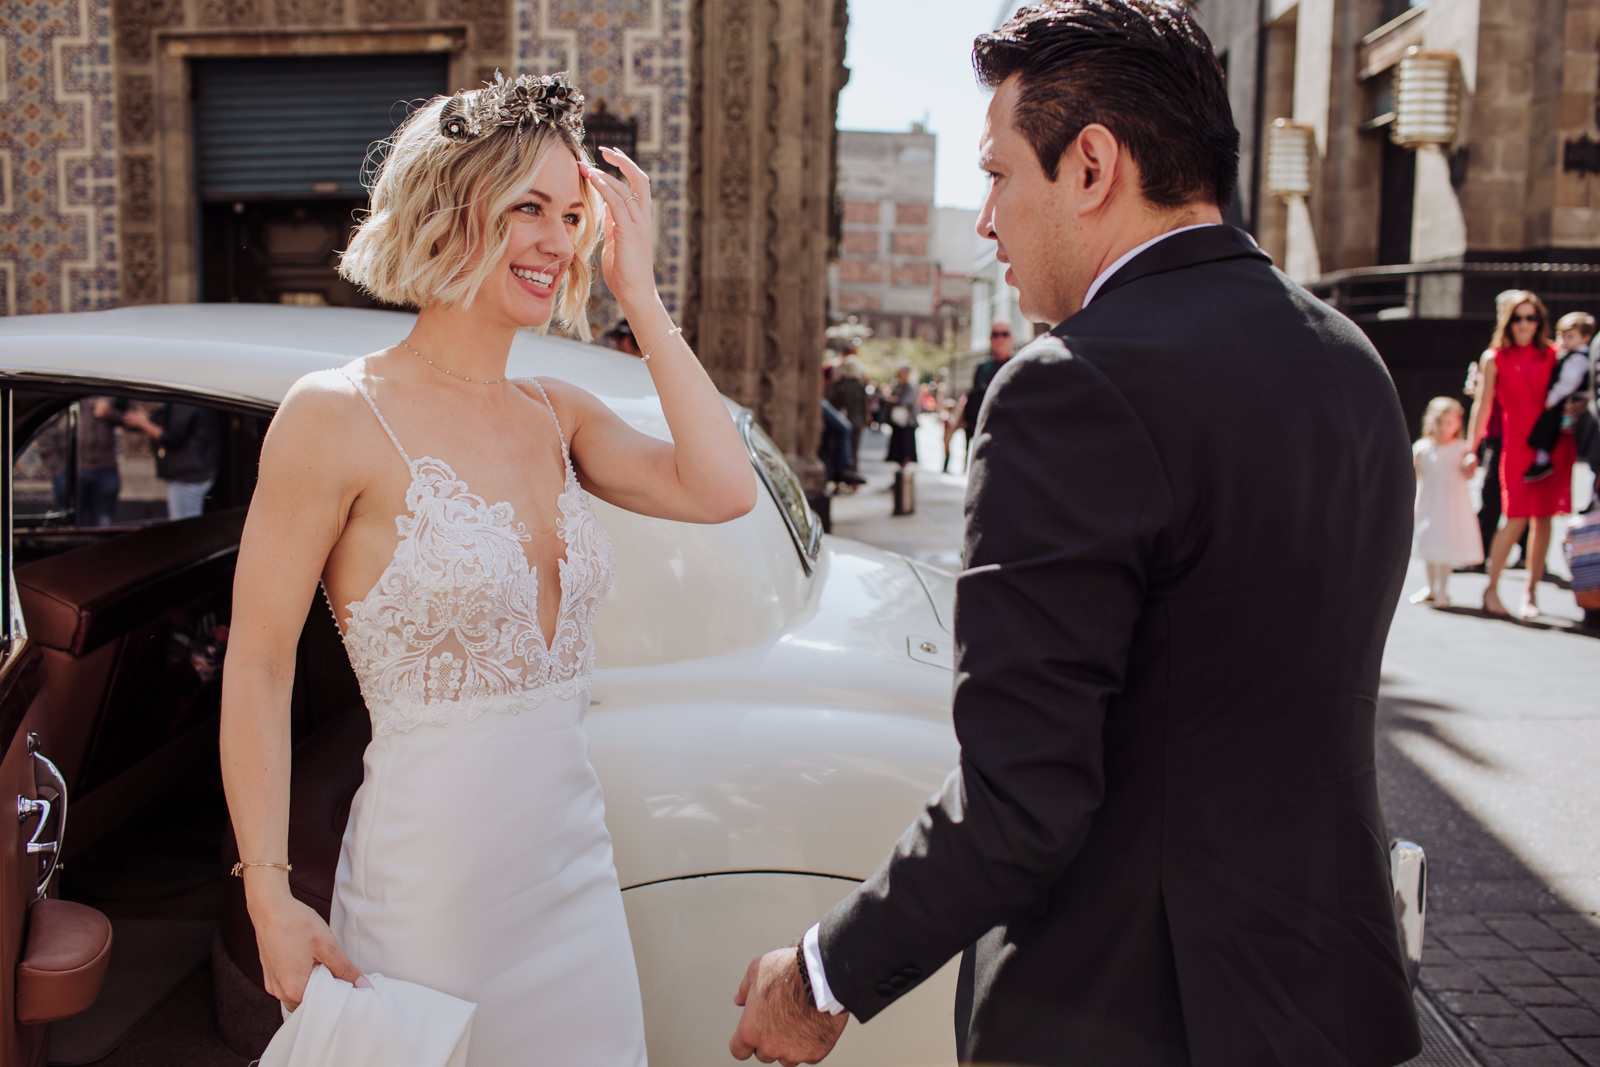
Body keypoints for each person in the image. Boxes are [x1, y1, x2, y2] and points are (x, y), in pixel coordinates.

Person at [729, 2, 1421, 1065]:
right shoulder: (1348, 357)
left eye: (999, 174)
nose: (985, 220)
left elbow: (1023, 802)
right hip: (1332, 1000)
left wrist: (818, 975)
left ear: (1091, 164)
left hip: (1131, 1013)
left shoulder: (1072, 385)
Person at [219, 71, 755, 1065]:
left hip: (570, 875)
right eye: (527, 209)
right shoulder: (334, 415)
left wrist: (639, 290)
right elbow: (256, 665)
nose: (558, 241)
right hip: (430, 896)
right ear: (448, 211)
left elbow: (722, 488)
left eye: (570, 213)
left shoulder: (560, 413)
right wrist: (268, 893)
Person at [1466, 291, 1574, 620]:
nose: (1525, 324)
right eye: (1518, 317)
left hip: (1550, 442)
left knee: (1542, 519)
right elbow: (1482, 407)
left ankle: (1531, 592)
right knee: (1513, 517)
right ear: (1507, 321)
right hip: (1515, 443)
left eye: (1531, 318)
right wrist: (1471, 450)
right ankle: (1491, 588)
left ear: (1540, 322)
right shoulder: (1493, 357)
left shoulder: (1554, 354)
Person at [1410, 397, 1483, 607]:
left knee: (1444, 548)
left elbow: (1468, 475)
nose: (1443, 428)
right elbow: (1415, 478)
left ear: (1457, 424)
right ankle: (1431, 588)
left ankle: (1443, 590)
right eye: (1439, 423)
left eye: (1448, 423)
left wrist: (1470, 464)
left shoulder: (1461, 449)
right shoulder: (1422, 448)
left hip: (1450, 508)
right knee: (1429, 545)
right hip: (1428, 504)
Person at [1522, 311, 1593, 483]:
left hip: (1569, 403)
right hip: (1569, 402)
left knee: (1548, 426)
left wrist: (1551, 400)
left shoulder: (1577, 359)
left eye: (1570, 336)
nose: (1564, 341)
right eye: (1561, 335)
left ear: (1585, 338)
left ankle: (1542, 460)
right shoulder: (1568, 355)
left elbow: (1568, 383)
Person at [123, 402, 221, 519]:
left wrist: (143, 423)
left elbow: (172, 437)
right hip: (187, 473)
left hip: (188, 476)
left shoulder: (184, 404)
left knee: (184, 526)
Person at [947, 321, 1015, 471]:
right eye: (995, 334)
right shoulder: (982, 367)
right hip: (982, 428)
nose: (1000, 339)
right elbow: (973, 395)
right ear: (990, 339)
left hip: (1008, 433)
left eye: (1005, 334)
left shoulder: (1018, 363)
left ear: (1011, 339)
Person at [883, 363, 918, 468]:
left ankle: (904, 478)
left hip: (906, 421)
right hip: (899, 421)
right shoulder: (900, 386)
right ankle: (900, 477)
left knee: (905, 449)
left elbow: (905, 401)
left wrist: (893, 400)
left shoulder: (910, 387)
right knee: (899, 450)